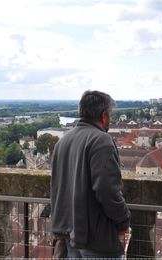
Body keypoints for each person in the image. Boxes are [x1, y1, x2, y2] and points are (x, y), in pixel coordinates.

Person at [51, 90, 131, 258]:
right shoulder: (101, 140)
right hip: (96, 240)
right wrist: (123, 221)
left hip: (69, 235)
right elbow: (107, 190)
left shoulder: (63, 141)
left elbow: (58, 187)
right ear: (104, 116)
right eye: (110, 115)